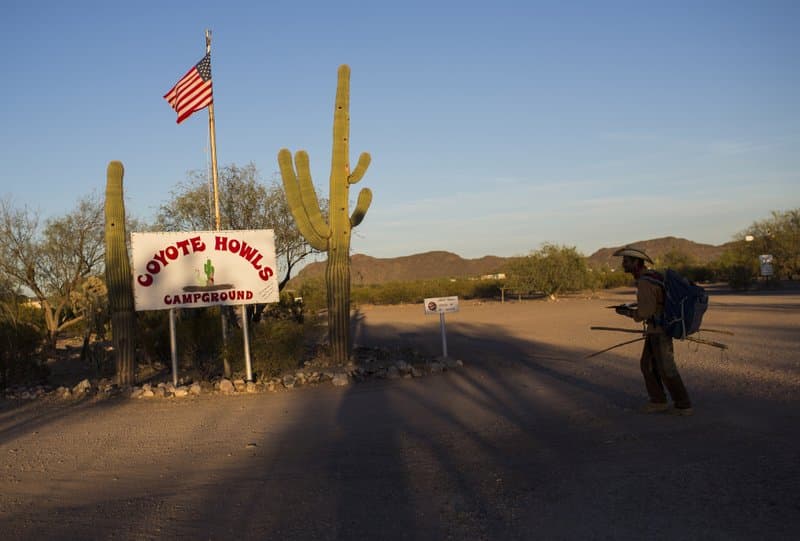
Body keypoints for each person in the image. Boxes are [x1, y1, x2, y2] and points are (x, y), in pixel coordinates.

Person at [613, 246, 693, 416]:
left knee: (666, 368)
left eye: (626, 261)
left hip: (659, 331)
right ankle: (658, 401)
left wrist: (627, 312)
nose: (623, 264)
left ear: (636, 262)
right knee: (647, 365)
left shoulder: (645, 282)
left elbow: (645, 312)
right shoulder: (653, 277)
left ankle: (683, 404)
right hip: (656, 329)